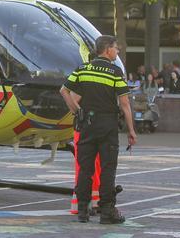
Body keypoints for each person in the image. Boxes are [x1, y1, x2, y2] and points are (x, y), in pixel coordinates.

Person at [60, 35, 137, 224]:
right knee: (107, 168)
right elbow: (125, 104)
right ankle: (107, 212)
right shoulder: (114, 72)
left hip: (86, 125)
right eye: (116, 48)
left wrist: (76, 111)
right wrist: (131, 130)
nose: (117, 51)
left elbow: (63, 90)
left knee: (85, 169)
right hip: (107, 125)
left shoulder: (83, 69)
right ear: (107, 49)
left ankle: (82, 211)